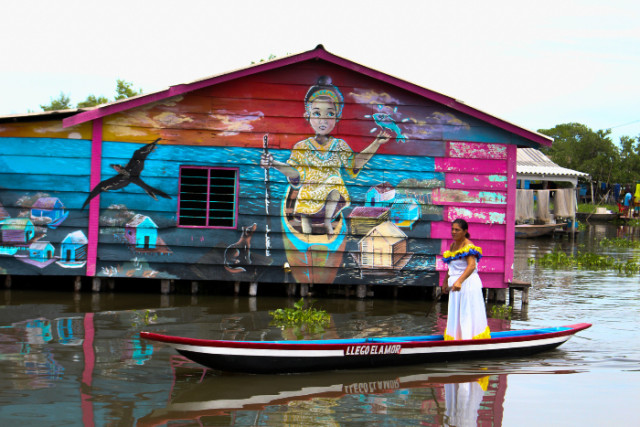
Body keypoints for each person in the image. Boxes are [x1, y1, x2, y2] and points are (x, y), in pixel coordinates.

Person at [261, 76, 391, 235]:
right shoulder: (301, 147)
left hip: (330, 202)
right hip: (308, 199)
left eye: (329, 114)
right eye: (316, 114)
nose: (323, 120)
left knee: (336, 182)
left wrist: (376, 143)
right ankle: (308, 230)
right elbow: (295, 175)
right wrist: (274, 163)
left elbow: (354, 165)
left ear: (337, 117)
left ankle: (328, 221)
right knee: (306, 227)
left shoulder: (340, 146)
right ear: (307, 116)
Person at [442, 219, 491, 341]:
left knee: (466, 313)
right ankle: (457, 338)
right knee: (457, 314)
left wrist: (459, 281)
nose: (453, 232)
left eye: (457, 230)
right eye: (452, 229)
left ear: (465, 231)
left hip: (467, 285)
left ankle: (469, 339)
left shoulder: (469, 246)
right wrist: (445, 281)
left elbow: (471, 266)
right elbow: (451, 267)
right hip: (456, 286)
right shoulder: (453, 245)